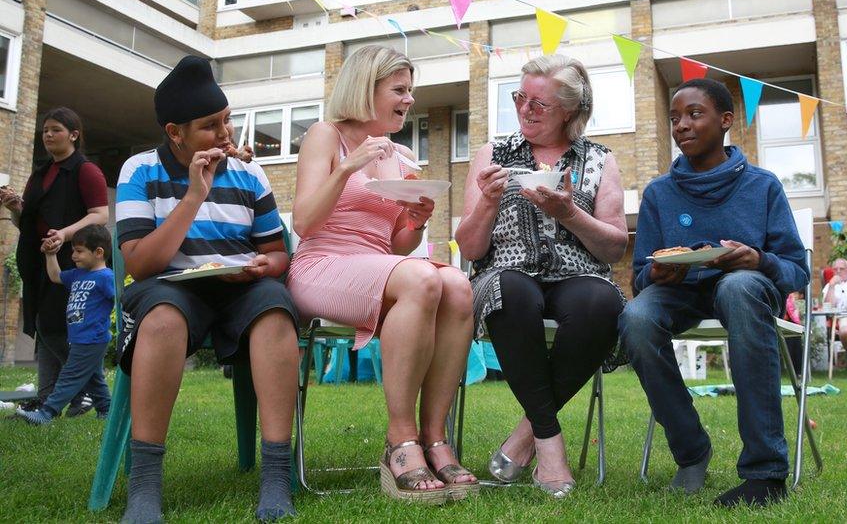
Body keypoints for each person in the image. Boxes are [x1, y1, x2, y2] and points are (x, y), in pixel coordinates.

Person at [286, 45, 477, 504]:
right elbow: (305, 222)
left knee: (456, 283)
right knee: (423, 279)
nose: (409, 100)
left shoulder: (395, 155)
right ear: (364, 89)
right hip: (322, 264)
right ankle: (399, 439)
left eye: (410, 90)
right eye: (399, 90)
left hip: (376, 264)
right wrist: (348, 166)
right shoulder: (325, 136)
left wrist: (415, 220)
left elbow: (395, 246)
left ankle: (434, 437)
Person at [114, 56, 298, 522]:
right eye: (210, 126)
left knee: (276, 310)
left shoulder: (249, 175)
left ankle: (276, 477)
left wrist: (262, 266)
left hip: (239, 287)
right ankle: (145, 485)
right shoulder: (139, 171)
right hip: (167, 287)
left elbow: (278, 253)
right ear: (175, 132)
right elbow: (140, 262)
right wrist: (195, 194)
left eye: (227, 120)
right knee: (161, 318)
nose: (225, 134)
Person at [618, 78, 809, 508]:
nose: (681, 125)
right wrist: (658, 275)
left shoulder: (762, 186)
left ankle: (765, 472)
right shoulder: (659, 193)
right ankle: (691, 450)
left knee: (739, 287)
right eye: (674, 118)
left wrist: (758, 260)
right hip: (681, 292)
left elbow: (798, 271)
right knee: (636, 317)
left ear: (726, 121)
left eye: (694, 114)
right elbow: (641, 277)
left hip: (747, 291)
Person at [455, 54, 627, 499]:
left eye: (540, 103)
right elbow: (471, 249)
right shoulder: (492, 155)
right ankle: (550, 447)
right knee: (510, 291)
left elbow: (614, 247)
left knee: (602, 303)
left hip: (579, 275)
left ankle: (523, 438)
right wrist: (487, 204)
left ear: (569, 110)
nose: (525, 109)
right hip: (506, 271)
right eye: (520, 98)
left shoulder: (600, 160)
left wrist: (569, 213)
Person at [0, 107, 108, 417]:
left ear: (74, 135)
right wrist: (16, 207)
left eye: (56, 129)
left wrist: (65, 233)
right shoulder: (39, 173)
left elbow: (101, 215)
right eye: (45, 129)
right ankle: (49, 399)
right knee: (43, 327)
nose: (48, 134)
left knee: (53, 327)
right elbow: (27, 223)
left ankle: (88, 392)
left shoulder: (86, 171)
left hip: (71, 259)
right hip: (38, 259)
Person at [15, 224, 113, 425]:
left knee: (69, 375)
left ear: (99, 252)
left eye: (79, 251)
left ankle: (46, 413)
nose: (74, 256)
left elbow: (120, 299)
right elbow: (55, 276)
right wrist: (51, 255)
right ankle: (107, 410)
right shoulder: (78, 275)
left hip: (92, 338)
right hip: (79, 338)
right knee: (93, 377)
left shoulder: (106, 278)